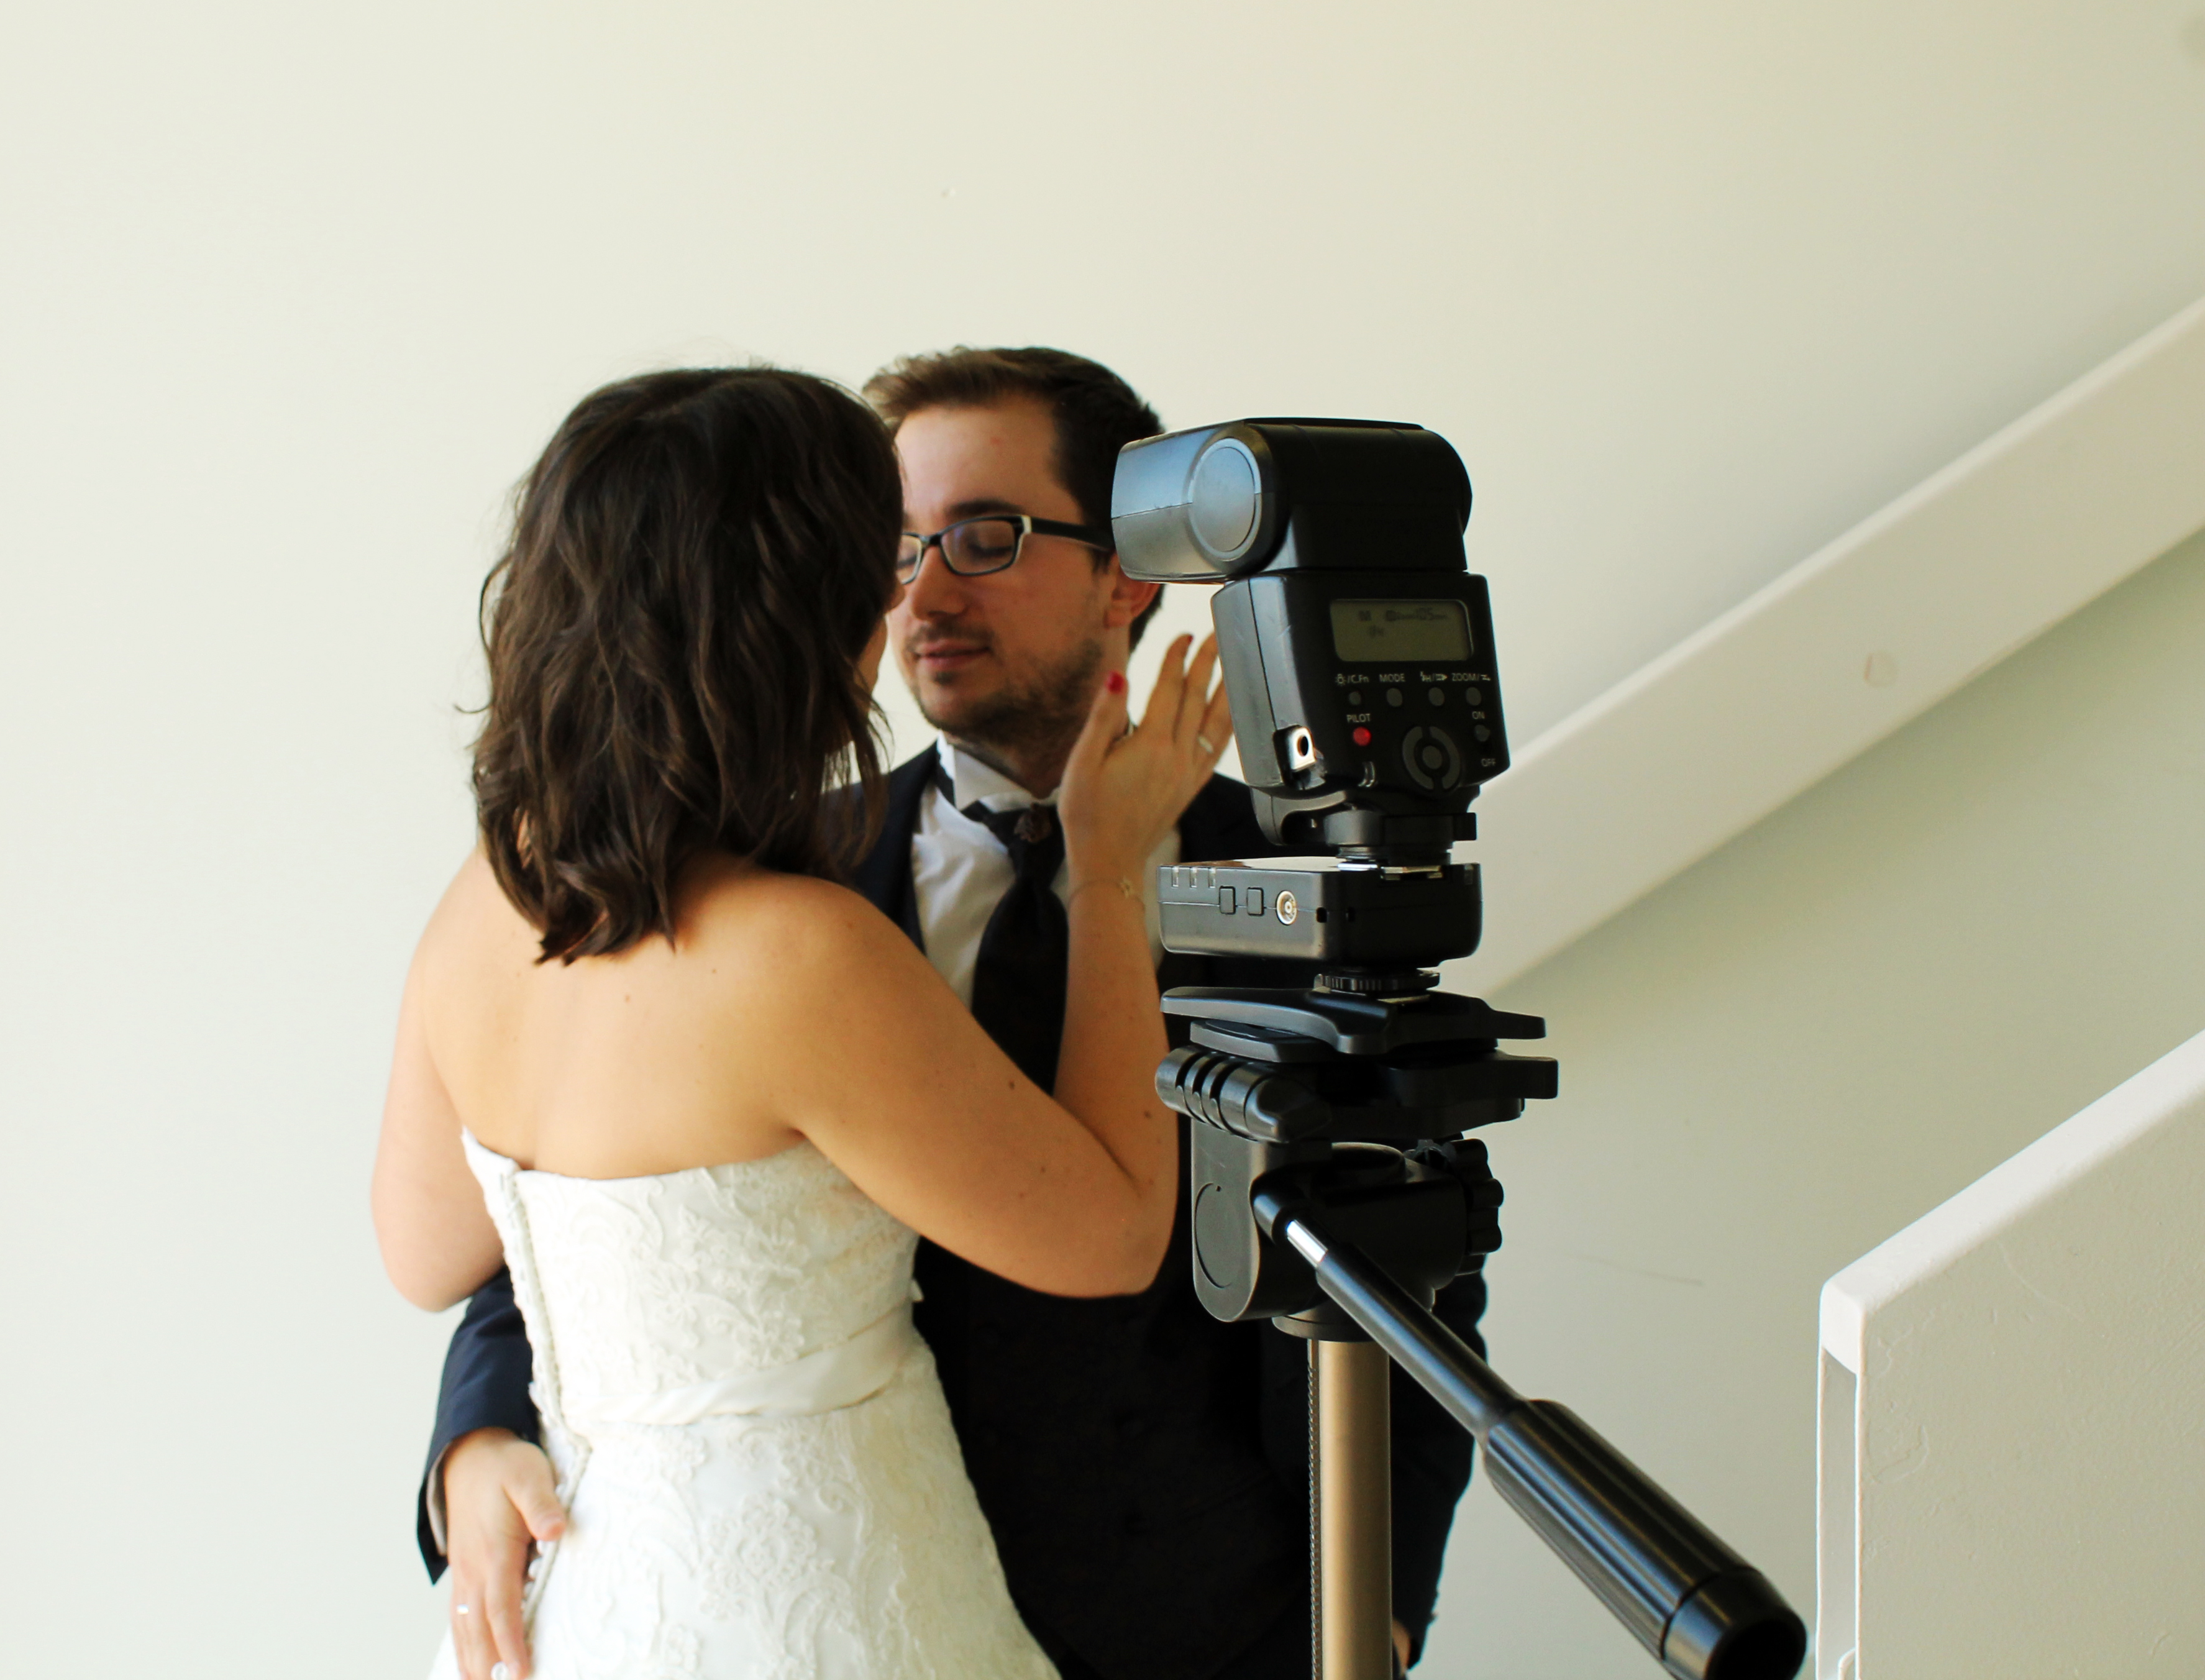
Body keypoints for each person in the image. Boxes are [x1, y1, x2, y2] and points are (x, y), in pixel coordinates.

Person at [424, 349, 1491, 1680]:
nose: (923, 589)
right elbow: (570, 1204)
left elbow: (1407, 1274)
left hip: (1218, 1630)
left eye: (984, 537)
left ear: (1130, 569)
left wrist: (1369, 1615)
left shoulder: (1297, 888)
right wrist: (472, 1439)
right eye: (898, 545)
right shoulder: (761, 880)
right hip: (857, 1604)